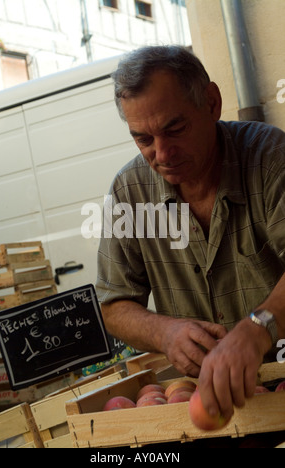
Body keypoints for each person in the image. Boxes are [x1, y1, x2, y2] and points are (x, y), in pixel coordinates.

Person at [96, 45, 285, 422]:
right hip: (206, 405)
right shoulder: (128, 192)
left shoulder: (271, 159)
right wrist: (163, 332)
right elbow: (112, 306)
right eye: (143, 139)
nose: (162, 153)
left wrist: (258, 327)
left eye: (174, 129)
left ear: (211, 102)